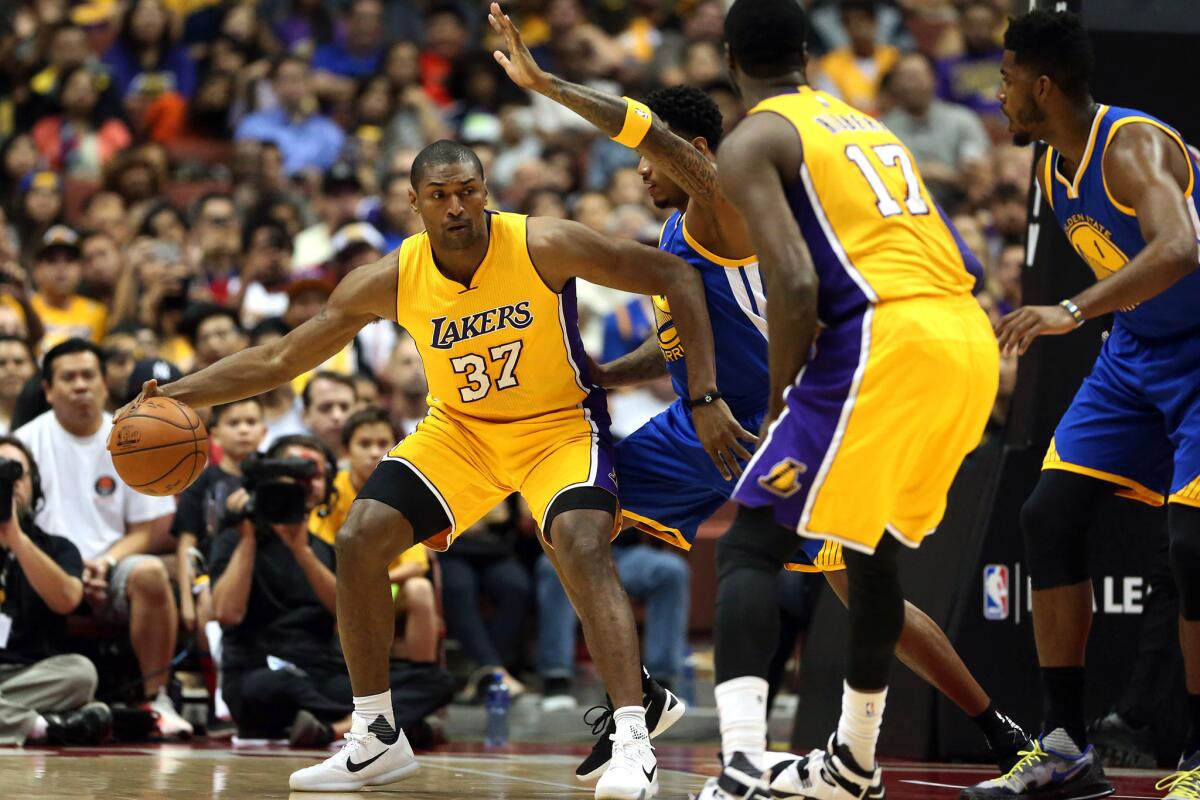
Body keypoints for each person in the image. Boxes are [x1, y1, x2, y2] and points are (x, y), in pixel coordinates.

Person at [489, 2, 1024, 787]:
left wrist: (548, 84)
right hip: (703, 424)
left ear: (697, 151)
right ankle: (640, 699)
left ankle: (996, 727)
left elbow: (655, 137)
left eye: (651, 164)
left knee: (862, 590)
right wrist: (613, 373)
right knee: (570, 513)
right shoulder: (675, 238)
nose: (639, 175)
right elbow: (677, 335)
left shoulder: (725, 194)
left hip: (779, 417)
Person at [122, 137, 744, 798]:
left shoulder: (543, 243)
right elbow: (280, 360)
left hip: (557, 427)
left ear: (486, 191)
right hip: (461, 433)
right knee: (361, 535)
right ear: (414, 203)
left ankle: (632, 738)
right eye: (440, 196)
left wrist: (703, 395)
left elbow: (674, 275)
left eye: (468, 191)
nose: (457, 207)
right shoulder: (392, 277)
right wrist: (175, 394)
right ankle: (377, 736)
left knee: (580, 542)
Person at [667, 0, 997, 795]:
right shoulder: (863, 124)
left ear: (728, 55)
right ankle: (851, 762)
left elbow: (795, 278)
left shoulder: (755, 137)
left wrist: (784, 400)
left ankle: (742, 761)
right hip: (964, 340)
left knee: (750, 540)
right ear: (810, 53)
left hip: (881, 338)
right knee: (866, 548)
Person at [963, 11, 1200, 800]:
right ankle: (1065, 747)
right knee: (1049, 517)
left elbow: (1178, 249)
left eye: (1003, 80)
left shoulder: (1131, 146)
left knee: (1194, 549)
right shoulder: (1047, 169)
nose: (996, 96)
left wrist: (1071, 310)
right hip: (1136, 354)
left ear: (1040, 85)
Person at [15, 339, 189, 738]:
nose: (80, 385)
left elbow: (147, 530)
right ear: (47, 390)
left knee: (148, 572)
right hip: (46, 570)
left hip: (109, 566)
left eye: (88, 375)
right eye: (68, 377)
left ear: (103, 384)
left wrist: (106, 563)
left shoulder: (132, 438)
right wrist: (70, 572)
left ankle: (157, 697)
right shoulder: (25, 443)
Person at [0, 435, 112, 747]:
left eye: (14, 474)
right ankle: (43, 726)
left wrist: (15, 538)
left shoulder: (58, 548)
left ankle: (11, 719)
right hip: (29, 695)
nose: (8, 486)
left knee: (81, 673)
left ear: (33, 483)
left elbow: (67, 601)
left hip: (33, 676)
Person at [309, 408, 441, 669]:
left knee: (420, 589)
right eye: (364, 444)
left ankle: (424, 677)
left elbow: (417, 565)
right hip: (336, 585)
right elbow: (318, 548)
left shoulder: (407, 492)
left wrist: (367, 582)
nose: (373, 452)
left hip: (389, 585)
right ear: (346, 451)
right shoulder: (331, 490)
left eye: (382, 444)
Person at [171, 398, 267, 646]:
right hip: (212, 576)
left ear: (264, 431)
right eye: (234, 423)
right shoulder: (201, 483)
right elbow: (187, 545)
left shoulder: (272, 482)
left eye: (251, 422)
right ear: (214, 434)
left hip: (263, 573)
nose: (244, 429)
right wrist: (187, 598)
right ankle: (216, 682)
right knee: (208, 609)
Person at [29, 227, 107, 351]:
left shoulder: (97, 313)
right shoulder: (24, 309)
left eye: (69, 260)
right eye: (51, 261)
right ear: (36, 270)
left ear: (81, 268)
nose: (61, 267)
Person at [301, 371, 357, 463]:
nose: (337, 416)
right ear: (306, 415)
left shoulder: (378, 463)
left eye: (344, 407)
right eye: (325, 408)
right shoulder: (291, 463)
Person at [0, 337, 36, 435]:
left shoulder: (51, 417)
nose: (11, 369)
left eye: (19, 362)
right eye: (1, 363)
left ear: (35, 368)